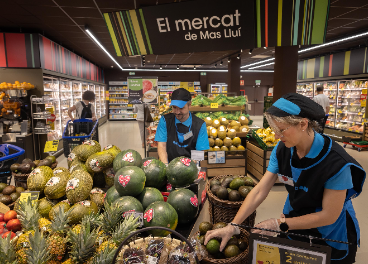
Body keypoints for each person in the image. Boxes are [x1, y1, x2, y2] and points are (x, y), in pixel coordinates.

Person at [204, 93, 365, 264]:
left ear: (303, 124)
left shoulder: (336, 163)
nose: (276, 137)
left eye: (281, 130)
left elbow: (329, 215)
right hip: (294, 219)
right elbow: (259, 190)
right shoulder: (283, 150)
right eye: (275, 130)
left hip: (330, 234)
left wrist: (278, 223)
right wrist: (233, 225)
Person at [155, 88, 209, 166]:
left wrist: (187, 168)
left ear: (189, 105)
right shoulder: (165, 121)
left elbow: (200, 150)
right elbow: (162, 145)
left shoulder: (200, 125)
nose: (177, 112)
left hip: (190, 166)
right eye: (174, 107)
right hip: (169, 164)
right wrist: (166, 165)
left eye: (181, 108)